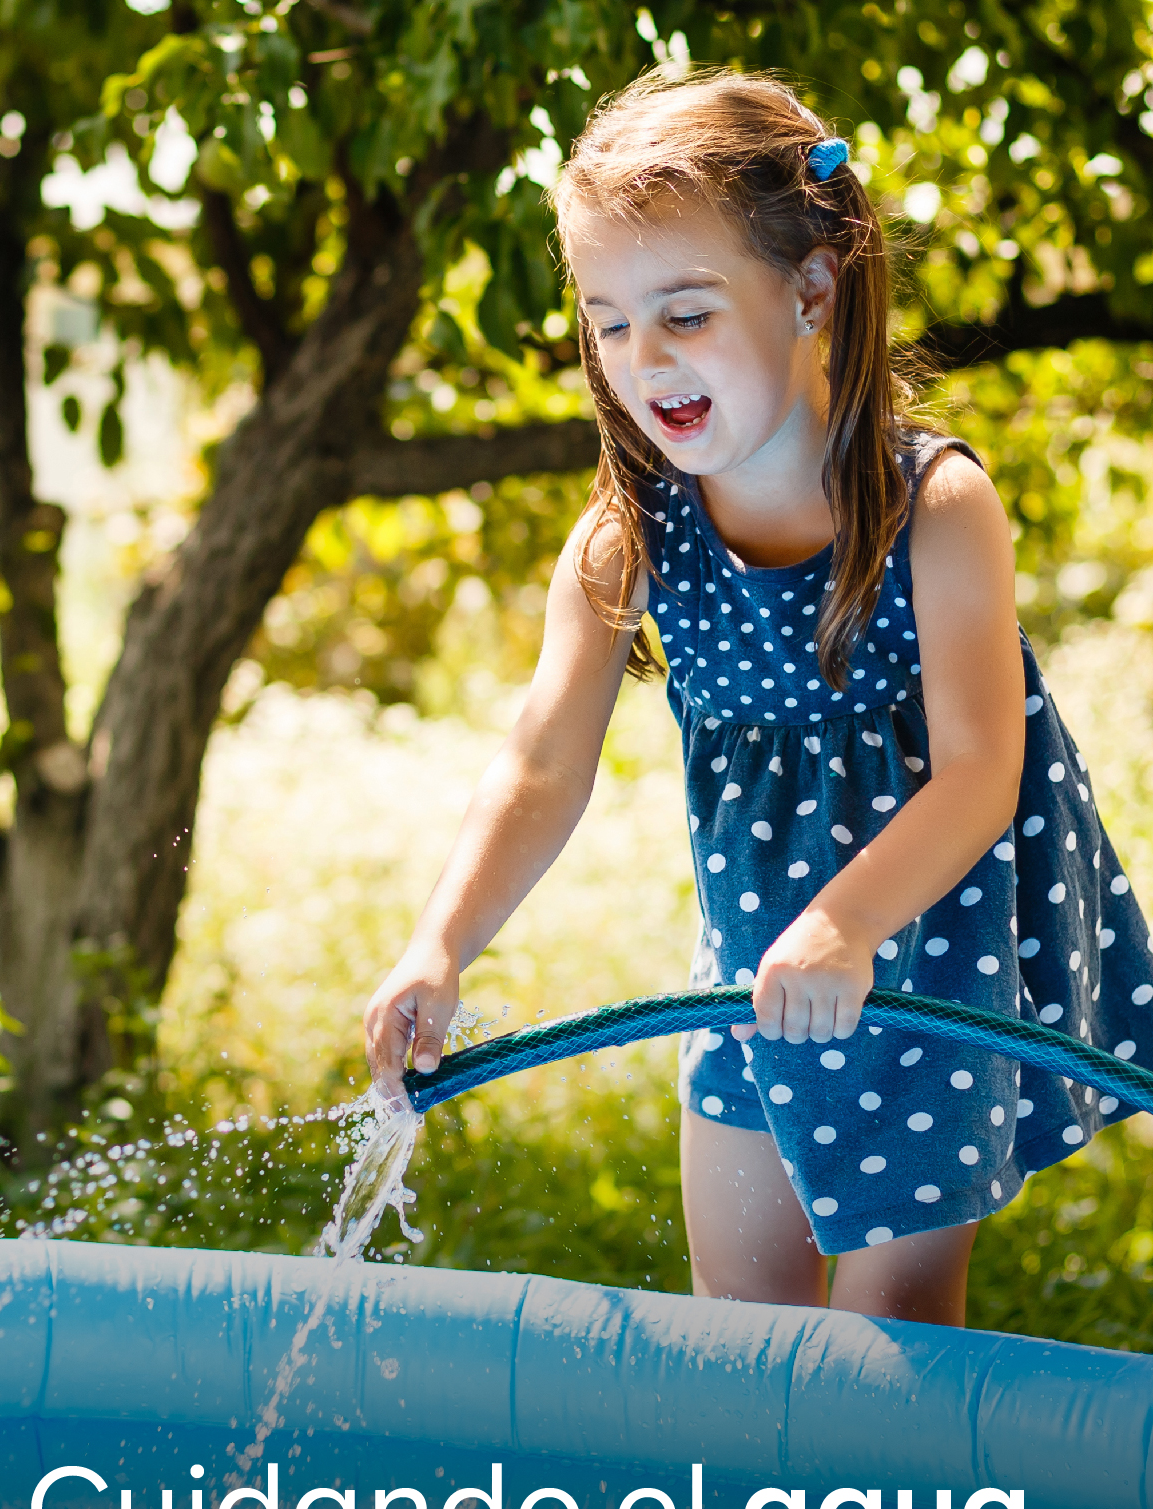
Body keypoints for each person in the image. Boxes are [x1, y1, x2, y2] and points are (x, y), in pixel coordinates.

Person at [364, 70, 1153, 1327]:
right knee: (739, 1333)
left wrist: (846, 926)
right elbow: (538, 764)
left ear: (808, 289)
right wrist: (440, 943)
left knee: (887, 1343)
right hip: (752, 957)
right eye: (609, 321)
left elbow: (976, 775)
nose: (642, 358)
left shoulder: (931, 510)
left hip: (925, 956)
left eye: (683, 313)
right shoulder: (625, 539)